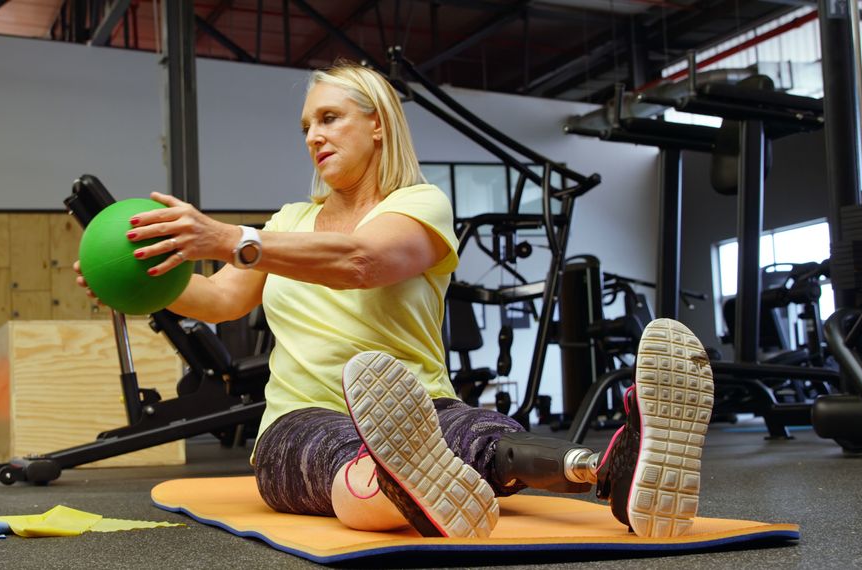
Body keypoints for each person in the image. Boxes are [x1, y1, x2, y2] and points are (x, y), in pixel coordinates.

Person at [76, 62, 715, 539]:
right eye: (306, 126)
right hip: (299, 418)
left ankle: (610, 471)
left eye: (329, 119)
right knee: (357, 453)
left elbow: (364, 261)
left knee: (485, 438)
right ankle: (404, 482)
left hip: (420, 405)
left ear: (377, 124)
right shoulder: (289, 219)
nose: (313, 137)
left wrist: (231, 237)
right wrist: (142, 283)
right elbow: (220, 299)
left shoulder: (418, 204)